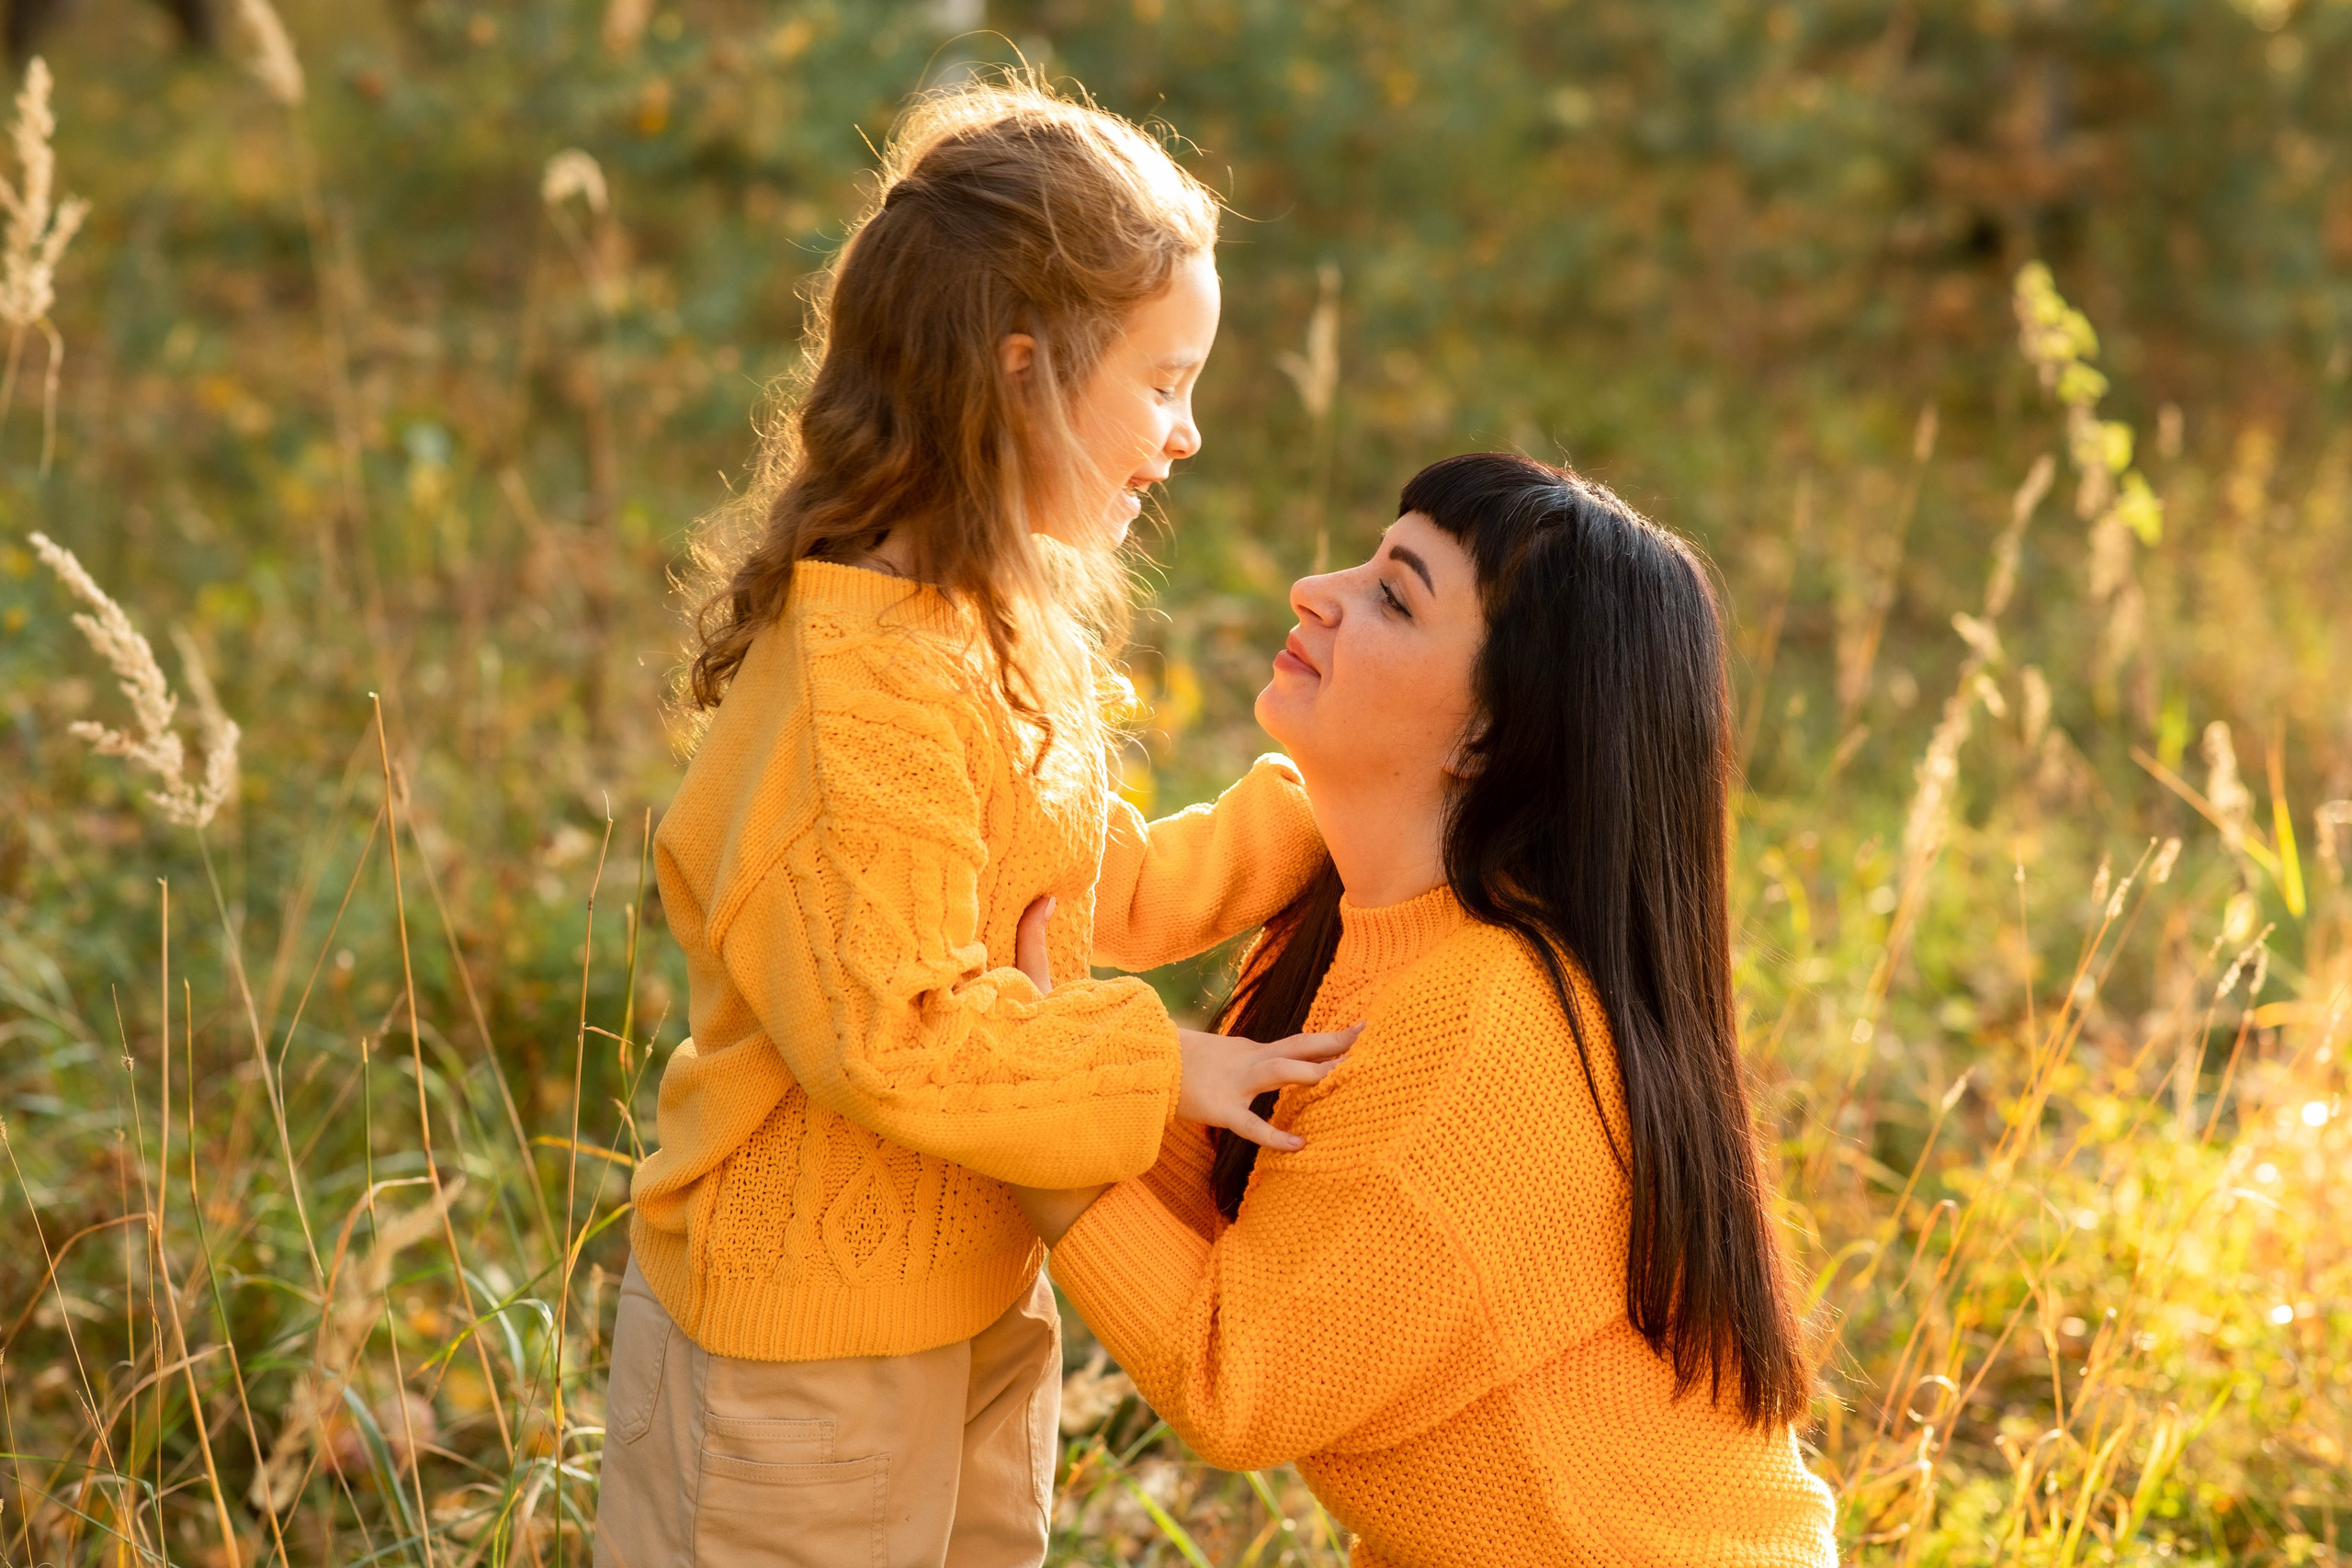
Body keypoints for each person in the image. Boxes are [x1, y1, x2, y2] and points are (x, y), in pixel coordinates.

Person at [594, 76, 1352, 1568]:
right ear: (1021, 373)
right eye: (1163, 380)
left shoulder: (983, 626)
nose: (1188, 432)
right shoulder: (855, 686)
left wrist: (1324, 815)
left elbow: (1068, 884)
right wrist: (1166, 1063)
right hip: (805, 1351)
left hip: (976, 1286)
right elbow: (898, 1027)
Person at [1012, 453, 1840, 1566]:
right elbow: (1214, 1201)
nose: (1317, 589)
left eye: (1394, 597)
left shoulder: (1493, 1018)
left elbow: (1233, 1374)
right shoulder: (1361, 922)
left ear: (1490, 737)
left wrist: (1019, 1084)